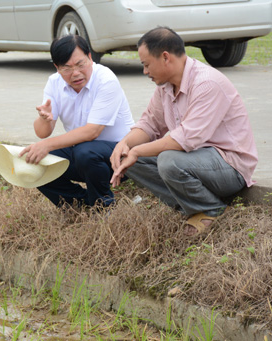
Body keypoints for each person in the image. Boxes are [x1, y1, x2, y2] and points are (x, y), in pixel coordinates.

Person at [110, 26, 258, 235]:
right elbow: (150, 124)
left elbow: (184, 140)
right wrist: (124, 144)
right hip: (195, 160)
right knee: (131, 158)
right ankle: (187, 205)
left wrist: (137, 151)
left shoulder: (207, 83)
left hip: (230, 166)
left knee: (168, 160)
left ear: (165, 57)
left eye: (146, 64)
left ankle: (210, 208)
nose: (145, 72)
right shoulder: (165, 87)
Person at [19, 35, 134, 208]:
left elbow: (92, 132)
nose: (76, 73)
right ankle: (81, 204)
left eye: (81, 64)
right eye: (67, 68)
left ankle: (103, 205)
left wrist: (47, 144)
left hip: (121, 155)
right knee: (36, 161)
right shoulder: (54, 83)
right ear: (57, 67)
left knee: (84, 151)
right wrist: (44, 119)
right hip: (83, 153)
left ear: (90, 57)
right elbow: (43, 133)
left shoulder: (106, 79)